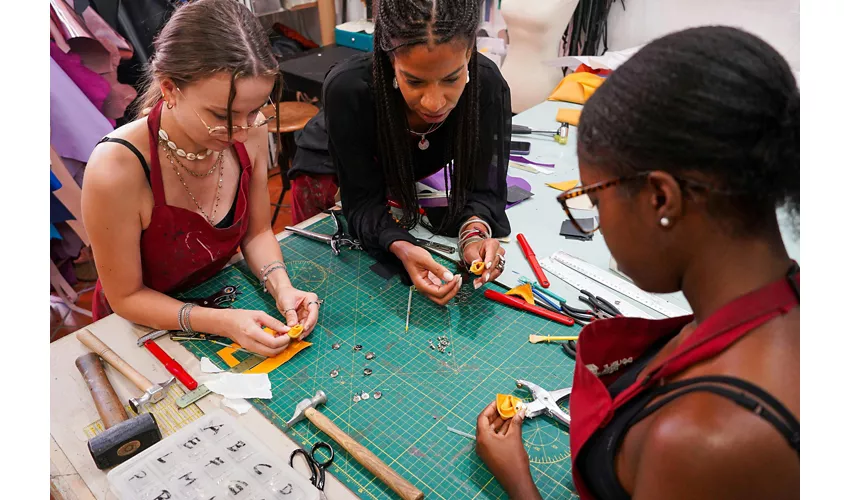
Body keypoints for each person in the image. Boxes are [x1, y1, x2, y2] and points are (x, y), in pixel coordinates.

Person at [475, 26, 800, 499]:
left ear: (660, 199)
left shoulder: (698, 444)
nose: (598, 225)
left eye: (595, 203)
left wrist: (519, 482)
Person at [81, 0, 321, 357]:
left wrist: (281, 287)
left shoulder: (249, 130)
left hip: (216, 293)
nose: (241, 130)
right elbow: (127, 297)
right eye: (220, 115)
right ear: (169, 89)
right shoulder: (116, 169)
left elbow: (256, 232)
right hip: (140, 327)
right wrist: (222, 322)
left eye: (253, 110)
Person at [318, 0, 513, 305]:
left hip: (412, 170)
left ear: (470, 52)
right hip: (330, 165)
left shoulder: (486, 87)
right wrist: (402, 246)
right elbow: (362, 200)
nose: (434, 104)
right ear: (391, 60)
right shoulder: (349, 91)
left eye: (451, 78)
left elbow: (484, 189)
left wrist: (473, 235)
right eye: (414, 81)